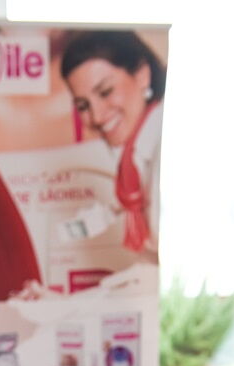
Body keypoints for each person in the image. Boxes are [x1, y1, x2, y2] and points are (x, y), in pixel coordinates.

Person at [61, 30, 167, 258]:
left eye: (105, 92)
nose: (97, 116)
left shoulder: (171, 146)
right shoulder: (132, 162)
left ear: (142, 75)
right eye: (83, 106)